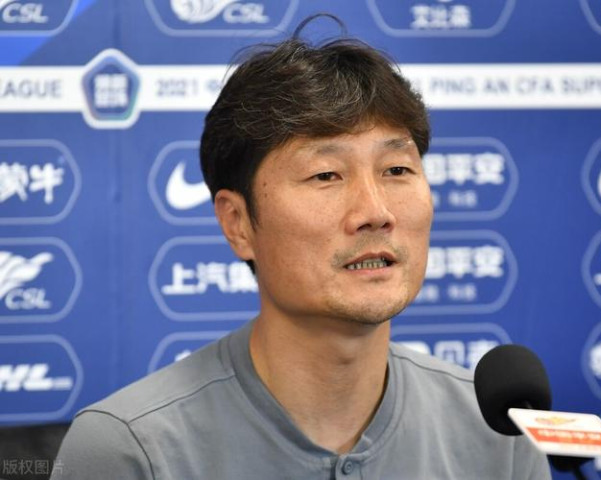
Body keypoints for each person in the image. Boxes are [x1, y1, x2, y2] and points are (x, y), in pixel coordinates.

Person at [52, 19, 551, 480]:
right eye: (326, 175)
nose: (375, 212)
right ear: (237, 223)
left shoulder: (499, 434)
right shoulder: (132, 449)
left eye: (397, 170)